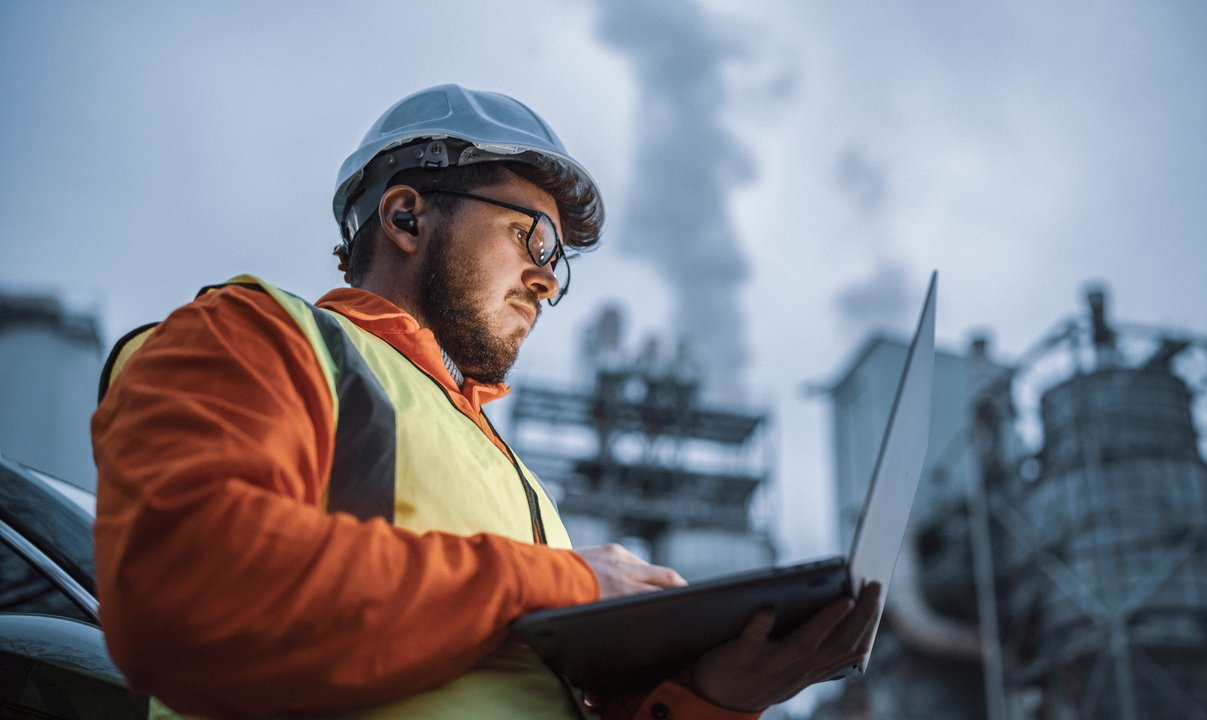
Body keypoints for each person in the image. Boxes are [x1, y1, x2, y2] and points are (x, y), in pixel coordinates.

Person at [92, 83, 882, 719]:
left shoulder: (515, 480)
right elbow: (187, 589)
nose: (547, 278)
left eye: (559, 263)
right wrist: (566, 583)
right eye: (531, 238)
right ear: (407, 216)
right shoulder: (258, 336)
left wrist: (713, 695)